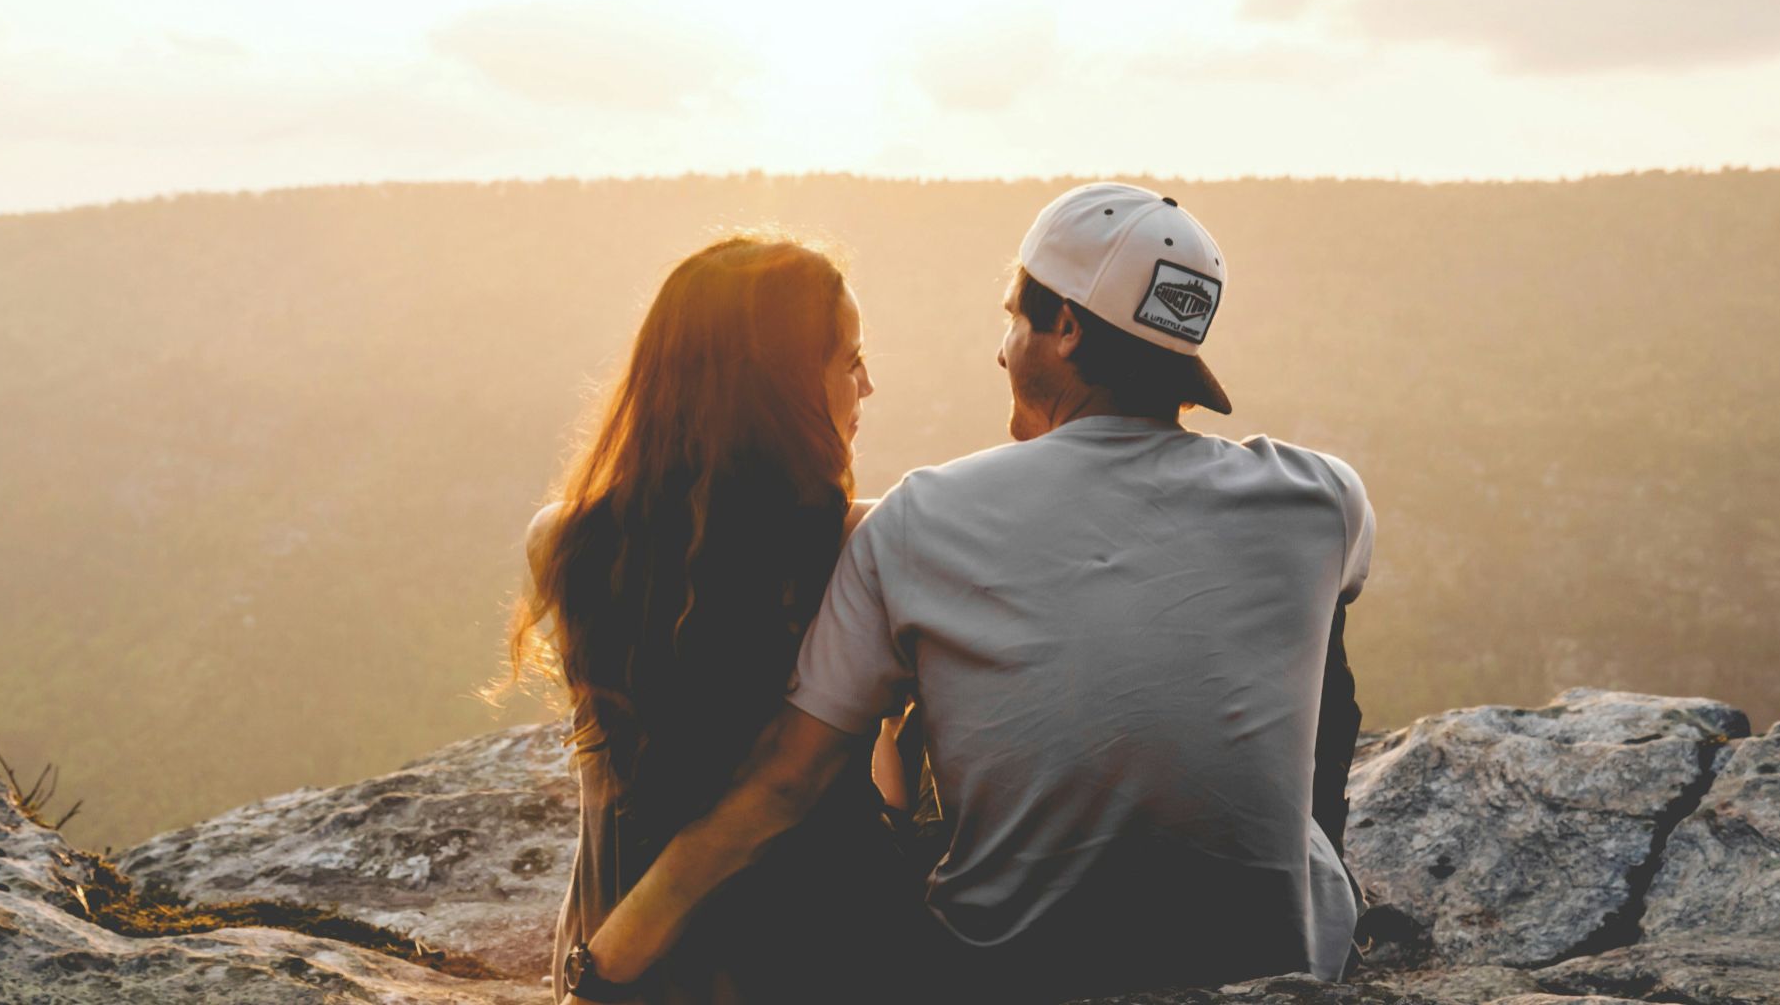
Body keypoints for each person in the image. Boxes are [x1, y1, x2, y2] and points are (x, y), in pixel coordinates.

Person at [564, 184, 1376, 1004]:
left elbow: (787, 782)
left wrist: (602, 964)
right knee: (1321, 629)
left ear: (1063, 329)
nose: (1001, 348)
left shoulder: (925, 519)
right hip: (1277, 959)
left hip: (1005, 971)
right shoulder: (1322, 499)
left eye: (1014, 318)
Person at [496, 233, 917, 1004]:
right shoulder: (865, 544)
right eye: (849, 360)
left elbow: (606, 786)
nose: (869, 384)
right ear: (780, 389)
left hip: (614, 948)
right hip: (821, 953)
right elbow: (869, 783)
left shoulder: (562, 541)